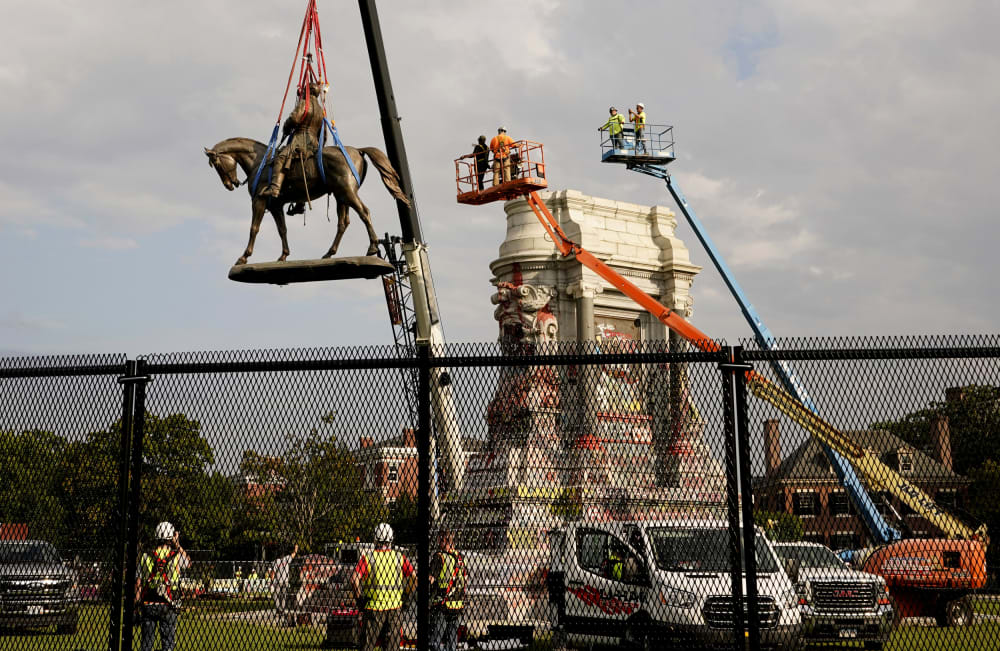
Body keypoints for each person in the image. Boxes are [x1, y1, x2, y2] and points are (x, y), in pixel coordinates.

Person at [350, 523, 416, 651]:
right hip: (395, 608)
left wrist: (360, 601)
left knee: (366, 646)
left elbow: (354, 580)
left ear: (375, 539)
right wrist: (405, 596)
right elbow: (414, 578)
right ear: (391, 539)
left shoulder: (368, 558)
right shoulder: (399, 557)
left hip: (373, 608)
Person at [262, 82, 325, 199]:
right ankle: (300, 202)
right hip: (314, 143)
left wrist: (286, 127)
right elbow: (324, 134)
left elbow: (294, 119)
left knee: (281, 158)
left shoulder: (304, 103)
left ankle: (275, 188)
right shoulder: (321, 111)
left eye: (304, 91)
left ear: (308, 91)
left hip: (300, 139)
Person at [135, 521, 191, 651]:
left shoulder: (145, 556)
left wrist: (136, 605)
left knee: (146, 643)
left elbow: (138, 583)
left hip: (148, 602)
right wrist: (177, 544)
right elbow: (188, 563)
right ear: (171, 537)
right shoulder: (176, 556)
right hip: (168, 603)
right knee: (168, 643)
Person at [429, 529, 467, 651]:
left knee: (435, 638)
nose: (437, 542)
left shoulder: (440, 557)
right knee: (452, 638)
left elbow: (430, 579)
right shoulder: (461, 558)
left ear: (444, 540)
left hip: (442, 603)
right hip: (457, 603)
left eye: (439, 539)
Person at [272, 543, 299, 620]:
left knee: (276, 595)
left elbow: (273, 573)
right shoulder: (286, 559)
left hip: (279, 581)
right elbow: (293, 554)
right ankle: (282, 610)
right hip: (285, 581)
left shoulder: (276, 561)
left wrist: (271, 583)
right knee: (283, 596)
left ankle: (279, 609)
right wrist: (296, 548)